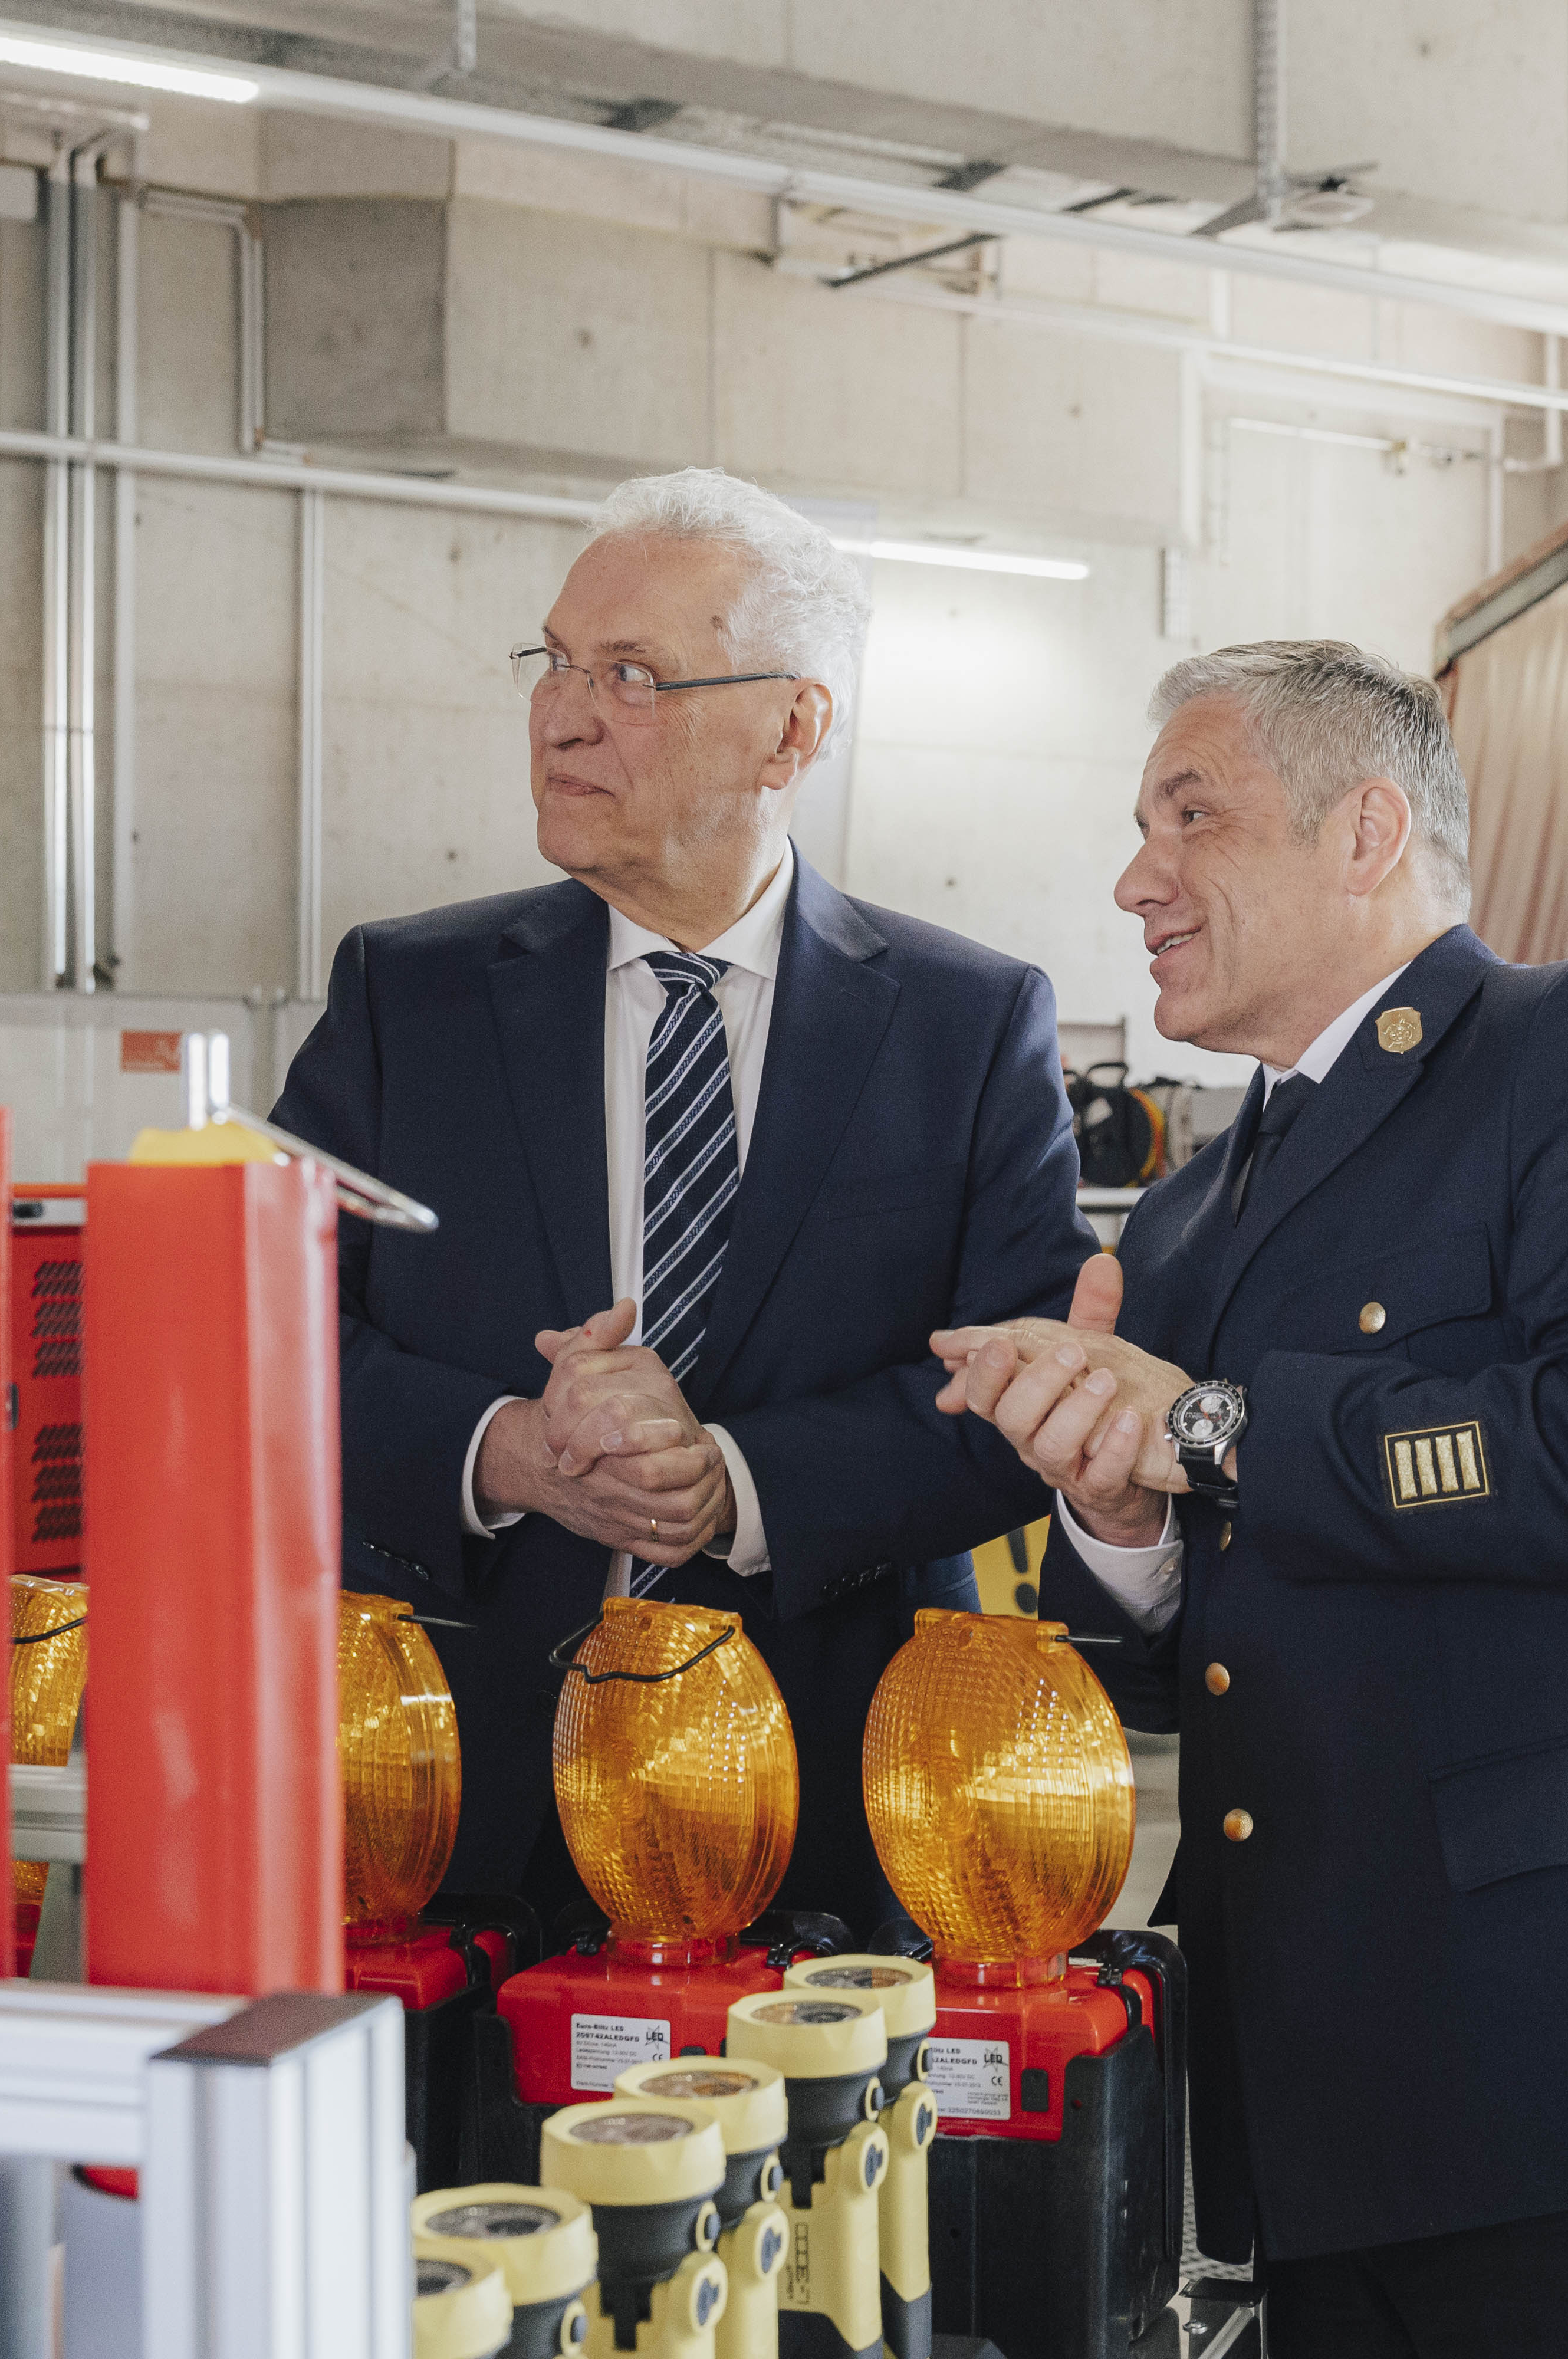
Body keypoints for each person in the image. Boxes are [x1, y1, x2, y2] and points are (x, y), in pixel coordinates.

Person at [934, 640, 1568, 2359]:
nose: (1137, 879)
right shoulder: (1197, 1216)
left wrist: (1208, 1429)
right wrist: (1115, 1509)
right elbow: (1191, 1643)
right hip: (1324, 2093)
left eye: (1191, 819)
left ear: (1367, 831)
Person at [270, 467, 1088, 1933]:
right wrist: (505, 1450)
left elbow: (1024, 1390)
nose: (564, 715)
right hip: (447, 1807)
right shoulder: (409, 997)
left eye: (633, 676)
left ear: (794, 726)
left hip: (848, 1802)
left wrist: (736, 1481)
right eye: (558, 663)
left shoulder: (968, 1024)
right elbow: (257, 1332)